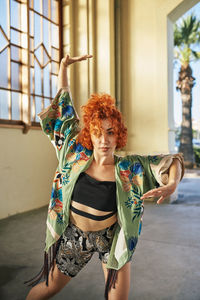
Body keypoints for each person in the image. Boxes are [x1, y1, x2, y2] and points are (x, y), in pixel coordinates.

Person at [25, 54, 184, 300]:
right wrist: (63, 68)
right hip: (74, 236)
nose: (104, 140)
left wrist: (172, 183)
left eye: (111, 132)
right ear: (89, 133)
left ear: (118, 134)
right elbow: (65, 108)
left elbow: (171, 161)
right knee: (48, 288)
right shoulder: (74, 153)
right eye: (98, 132)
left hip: (112, 239)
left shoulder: (129, 168)